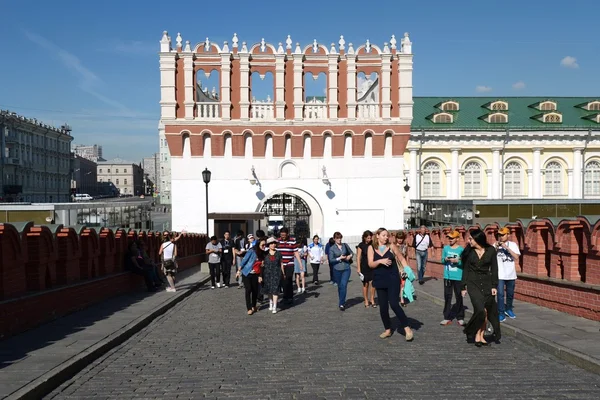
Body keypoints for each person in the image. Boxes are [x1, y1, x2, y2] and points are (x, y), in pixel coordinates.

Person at [367, 228, 414, 341]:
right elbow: (370, 264)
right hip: (379, 279)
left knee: (394, 304)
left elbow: (401, 259)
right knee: (383, 307)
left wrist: (405, 270)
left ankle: (407, 328)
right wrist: (380, 261)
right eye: (383, 235)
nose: (386, 237)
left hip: (393, 279)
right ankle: (388, 329)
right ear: (377, 236)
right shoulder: (371, 247)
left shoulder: (392, 246)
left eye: (387, 235)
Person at [461, 229, 501, 346]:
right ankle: (471, 331)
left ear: (477, 239)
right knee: (480, 310)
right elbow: (466, 270)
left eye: (471, 239)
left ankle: (480, 335)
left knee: (486, 312)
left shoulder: (491, 251)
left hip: (487, 283)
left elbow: (494, 269)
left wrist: (494, 285)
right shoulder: (469, 252)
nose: (469, 241)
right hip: (473, 283)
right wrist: (463, 286)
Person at [495, 227, 520, 322]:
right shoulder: (495, 245)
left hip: (511, 274)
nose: (500, 237)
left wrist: (506, 248)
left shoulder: (513, 245)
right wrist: (496, 248)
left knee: (510, 294)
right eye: (499, 235)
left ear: (508, 235)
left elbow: (516, 257)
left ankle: (508, 309)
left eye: (503, 235)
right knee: (500, 294)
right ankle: (501, 313)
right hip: (500, 274)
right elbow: (490, 256)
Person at [440, 230, 465, 326]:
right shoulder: (446, 248)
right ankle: (447, 317)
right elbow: (442, 260)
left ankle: (460, 316)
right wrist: (445, 259)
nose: (450, 239)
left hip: (458, 276)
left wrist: (457, 261)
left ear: (457, 238)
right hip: (448, 276)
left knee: (459, 296)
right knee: (447, 296)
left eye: (452, 238)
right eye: (449, 238)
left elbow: (464, 263)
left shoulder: (461, 250)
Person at [237, 238, 266, 315]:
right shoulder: (251, 251)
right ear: (258, 245)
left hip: (256, 274)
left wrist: (260, 275)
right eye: (262, 245)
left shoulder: (262, 254)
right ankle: (249, 308)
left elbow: (262, 266)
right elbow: (244, 260)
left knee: (255, 290)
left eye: (264, 245)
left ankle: (254, 306)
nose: (264, 246)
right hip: (247, 273)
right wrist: (239, 270)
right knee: (248, 289)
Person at [328, 231, 354, 311]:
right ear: (334, 239)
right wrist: (339, 258)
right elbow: (331, 260)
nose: (339, 239)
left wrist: (350, 256)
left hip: (346, 268)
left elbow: (352, 252)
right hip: (337, 269)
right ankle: (341, 300)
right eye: (337, 238)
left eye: (340, 238)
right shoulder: (332, 248)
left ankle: (341, 304)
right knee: (340, 286)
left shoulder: (345, 245)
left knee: (343, 285)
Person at [277, 227, 303, 305]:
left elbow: (296, 253)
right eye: (282, 235)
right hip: (280, 264)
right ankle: (285, 297)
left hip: (289, 264)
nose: (283, 237)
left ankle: (290, 297)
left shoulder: (292, 241)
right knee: (282, 281)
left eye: (284, 235)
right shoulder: (277, 241)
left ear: (287, 234)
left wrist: (300, 263)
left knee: (288, 280)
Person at [262, 237, 284, 314]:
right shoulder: (265, 253)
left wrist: (283, 273)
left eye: (274, 243)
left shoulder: (279, 253)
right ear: (268, 245)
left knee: (275, 290)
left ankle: (275, 306)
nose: (273, 245)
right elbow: (262, 264)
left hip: (276, 273)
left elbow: (281, 264)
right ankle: (270, 302)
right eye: (271, 243)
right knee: (269, 290)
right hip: (267, 273)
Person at [356, 230, 376, 308]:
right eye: (368, 238)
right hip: (364, 266)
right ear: (364, 238)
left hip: (372, 265)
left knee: (373, 283)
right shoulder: (361, 245)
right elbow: (358, 257)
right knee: (366, 284)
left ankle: (372, 299)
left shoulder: (373, 245)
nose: (369, 239)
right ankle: (366, 300)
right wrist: (358, 268)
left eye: (370, 238)